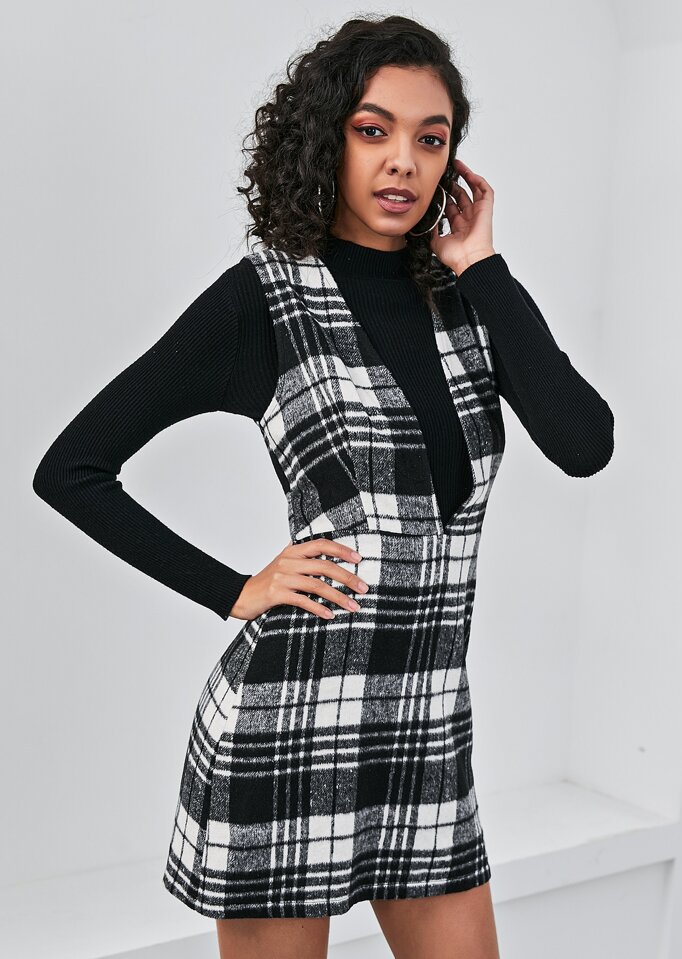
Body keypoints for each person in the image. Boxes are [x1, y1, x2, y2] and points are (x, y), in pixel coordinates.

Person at [32, 14, 614, 959]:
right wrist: (235, 589)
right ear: (327, 137)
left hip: (425, 730)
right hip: (291, 723)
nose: (403, 162)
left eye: (432, 139)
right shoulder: (263, 298)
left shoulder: (466, 299)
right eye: (373, 130)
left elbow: (585, 444)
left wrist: (486, 267)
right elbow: (71, 468)